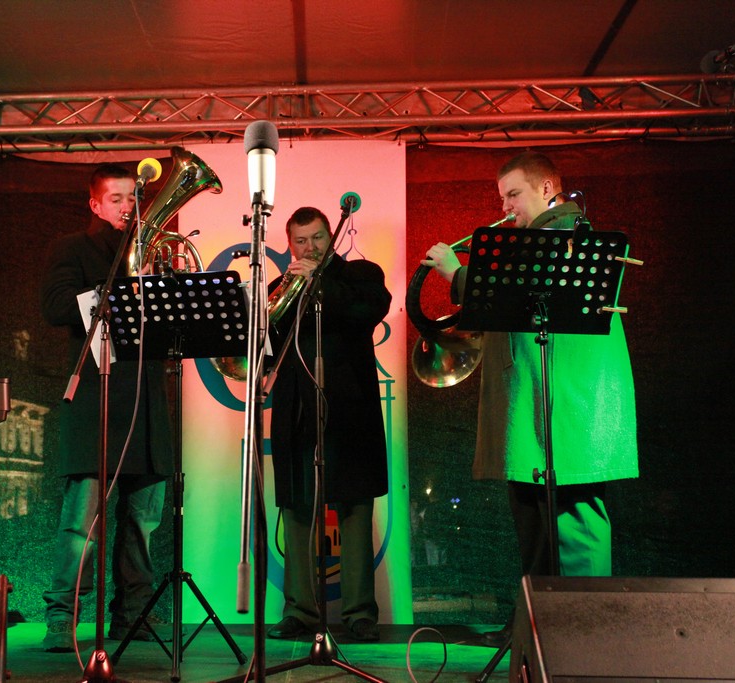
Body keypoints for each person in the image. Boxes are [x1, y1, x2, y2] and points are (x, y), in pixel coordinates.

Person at [423, 151, 638, 635]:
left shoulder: (568, 235)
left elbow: (516, 292)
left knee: (574, 522)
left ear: (546, 189)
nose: (505, 208)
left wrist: (457, 274)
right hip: (535, 413)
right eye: (502, 198)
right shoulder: (532, 240)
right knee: (536, 522)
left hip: (566, 413)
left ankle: (583, 632)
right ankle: (540, 628)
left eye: (513, 195)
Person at [39, 163, 173, 652]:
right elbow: (55, 306)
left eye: (132, 198)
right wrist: (116, 289)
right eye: (116, 198)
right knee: (82, 524)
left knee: (142, 522)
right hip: (97, 400)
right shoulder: (73, 248)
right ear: (95, 205)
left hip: (145, 402)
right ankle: (63, 615)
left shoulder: (154, 252)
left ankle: (133, 614)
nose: (127, 206)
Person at [266, 206, 392, 643]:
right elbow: (267, 346)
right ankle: (299, 611)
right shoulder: (278, 288)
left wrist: (317, 283)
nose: (310, 247)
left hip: (350, 414)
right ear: (289, 245)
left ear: (330, 237)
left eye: (318, 237)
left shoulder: (360, 275)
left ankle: (359, 613)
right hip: (296, 412)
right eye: (300, 241)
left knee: (355, 509)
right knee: (297, 508)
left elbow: (366, 311)